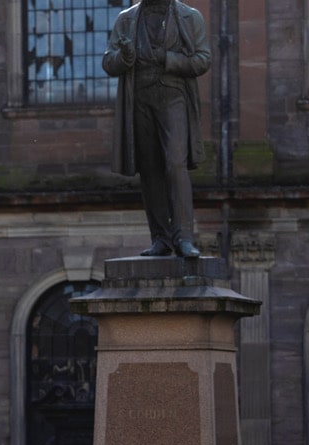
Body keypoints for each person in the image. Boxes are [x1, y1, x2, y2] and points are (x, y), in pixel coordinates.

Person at [102, 0, 210, 259]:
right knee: (150, 169)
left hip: (173, 97)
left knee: (175, 163)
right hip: (139, 98)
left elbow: (203, 59)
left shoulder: (189, 16)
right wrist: (124, 58)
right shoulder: (126, 19)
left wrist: (168, 59)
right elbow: (109, 62)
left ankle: (183, 237)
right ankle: (161, 237)